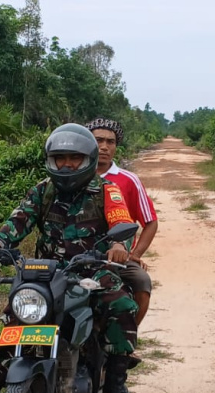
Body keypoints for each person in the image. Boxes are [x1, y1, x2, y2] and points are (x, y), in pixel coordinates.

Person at [0, 123, 140, 393]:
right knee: (10, 330)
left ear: (88, 159)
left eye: (74, 158)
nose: (66, 164)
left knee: (122, 303)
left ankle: (115, 380)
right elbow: (20, 218)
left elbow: (121, 219)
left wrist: (119, 245)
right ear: (50, 160)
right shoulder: (44, 189)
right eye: (60, 158)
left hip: (91, 269)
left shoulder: (105, 190)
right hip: (46, 271)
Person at [85, 118, 158, 326]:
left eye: (111, 142)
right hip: (74, 253)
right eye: (98, 140)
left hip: (117, 256)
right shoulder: (72, 175)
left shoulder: (128, 180)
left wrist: (135, 255)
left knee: (142, 282)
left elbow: (150, 221)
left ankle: (127, 339)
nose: (104, 147)